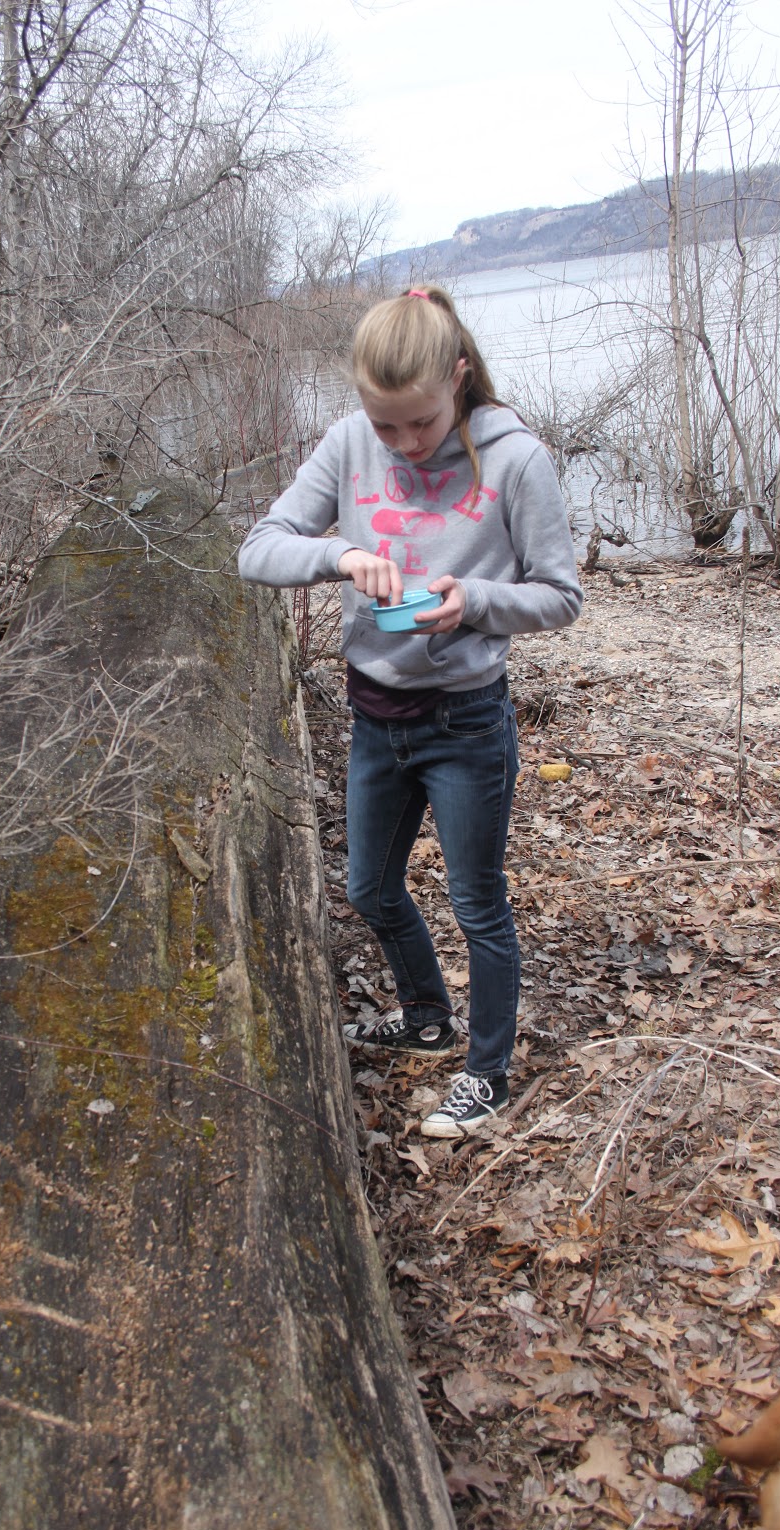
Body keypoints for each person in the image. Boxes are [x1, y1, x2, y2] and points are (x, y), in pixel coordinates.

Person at [238, 286, 582, 1138]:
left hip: (464, 722)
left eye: (419, 424)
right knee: (369, 887)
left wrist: (471, 603)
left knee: (477, 902)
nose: (401, 443)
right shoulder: (350, 442)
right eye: (383, 423)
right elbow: (257, 549)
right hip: (373, 717)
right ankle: (426, 1020)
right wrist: (342, 554)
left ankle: (486, 1071)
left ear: (458, 378)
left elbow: (559, 597)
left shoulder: (514, 459)